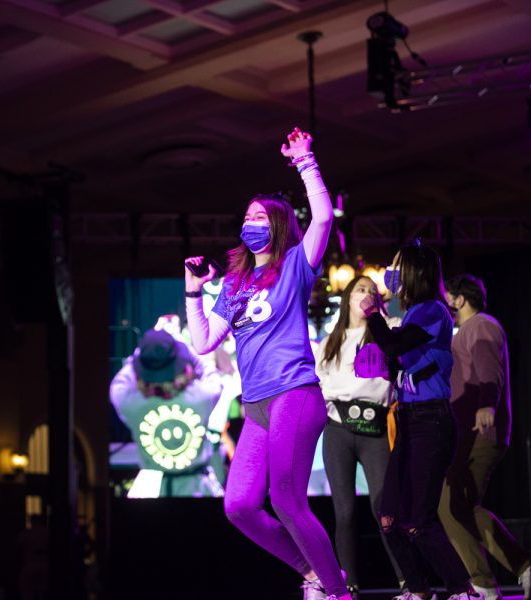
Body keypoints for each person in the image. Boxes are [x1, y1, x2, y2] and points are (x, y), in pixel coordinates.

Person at [185, 127, 349, 600]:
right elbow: (203, 340)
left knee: (286, 499)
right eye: (247, 215)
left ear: (276, 225)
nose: (250, 221)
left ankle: (337, 593)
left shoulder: (297, 263)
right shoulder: (234, 284)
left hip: (293, 393)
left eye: (259, 216)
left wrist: (305, 162)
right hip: (255, 403)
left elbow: (321, 219)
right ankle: (314, 573)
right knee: (238, 506)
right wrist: (194, 290)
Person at [360, 242, 476, 600]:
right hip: (410, 420)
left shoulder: (433, 311)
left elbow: (395, 346)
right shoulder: (413, 313)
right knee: (389, 515)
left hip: (431, 422)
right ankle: (418, 588)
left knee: (418, 520)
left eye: (397, 266)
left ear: (414, 272)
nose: (391, 273)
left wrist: (373, 314)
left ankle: (462, 590)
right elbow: (397, 358)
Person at [438, 274, 531, 600]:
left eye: (449, 298)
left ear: (460, 299)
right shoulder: (466, 332)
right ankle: (522, 567)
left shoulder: (481, 326)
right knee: (460, 506)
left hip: (480, 431)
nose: (447, 303)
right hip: (468, 432)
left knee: (450, 506)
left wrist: (487, 402)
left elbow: (489, 368)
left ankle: (486, 581)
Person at [316, 276, 404, 598]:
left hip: (376, 426)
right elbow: (320, 381)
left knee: (384, 507)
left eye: (371, 290)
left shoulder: (388, 327)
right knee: (344, 511)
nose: (367, 294)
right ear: (348, 299)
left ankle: (408, 582)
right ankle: (346, 585)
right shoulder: (332, 340)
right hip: (338, 426)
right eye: (360, 290)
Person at [109, 328, 224, 497]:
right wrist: (180, 344)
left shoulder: (132, 403)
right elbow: (208, 370)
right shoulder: (201, 397)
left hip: (150, 493)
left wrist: (144, 351)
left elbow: (121, 381)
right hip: (198, 490)